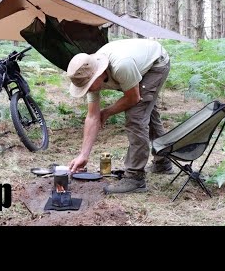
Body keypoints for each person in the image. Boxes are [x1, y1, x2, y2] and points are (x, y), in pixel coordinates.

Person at [66, 38, 173, 194]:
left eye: (88, 87)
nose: (87, 90)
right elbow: (92, 117)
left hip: (156, 63)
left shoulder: (121, 66)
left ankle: (135, 178)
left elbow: (133, 98)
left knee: (136, 117)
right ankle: (163, 162)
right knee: (147, 112)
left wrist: (108, 112)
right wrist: (84, 154)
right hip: (136, 64)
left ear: (98, 75)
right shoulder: (88, 72)